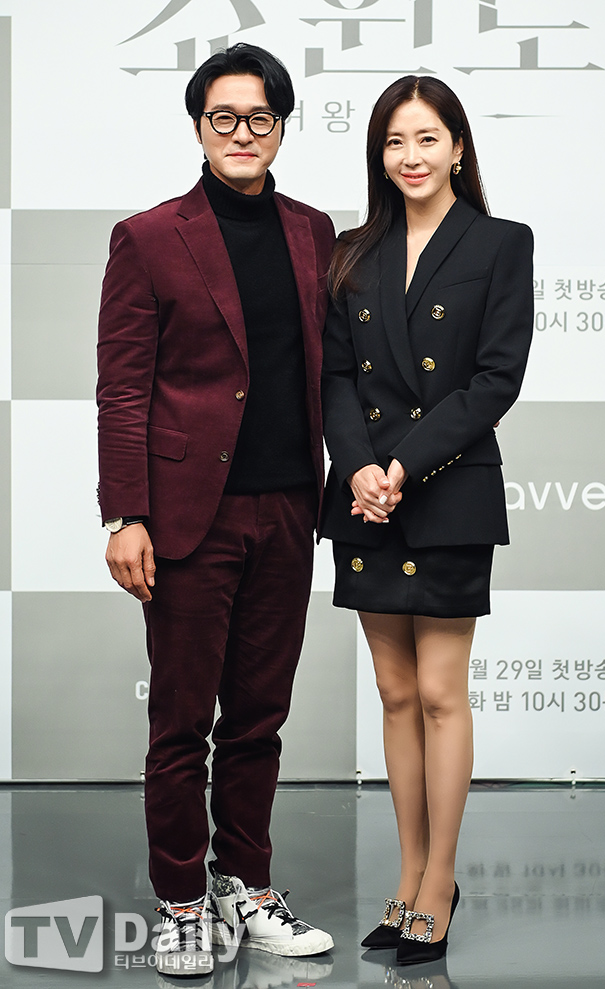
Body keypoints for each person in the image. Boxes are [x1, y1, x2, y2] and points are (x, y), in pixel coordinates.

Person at [97, 44, 335, 978]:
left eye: (260, 117)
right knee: (181, 724)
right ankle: (182, 901)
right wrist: (126, 513)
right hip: (188, 518)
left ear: (282, 127)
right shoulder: (149, 236)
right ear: (199, 126)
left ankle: (248, 883)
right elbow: (123, 387)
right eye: (224, 117)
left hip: (289, 509)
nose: (243, 133)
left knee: (259, 719)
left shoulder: (314, 232)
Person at [321, 75, 533, 966]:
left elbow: (496, 378)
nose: (410, 156)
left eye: (426, 138)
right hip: (366, 495)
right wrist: (359, 469)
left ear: (458, 147)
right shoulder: (350, 251)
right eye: (393, 141)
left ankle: (439, 881)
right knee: (396, 693)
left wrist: (402, 465)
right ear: (380, 155)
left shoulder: (500, 242)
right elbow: (335, 377)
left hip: (446, 491)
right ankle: (406, 878)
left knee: (442, 693)